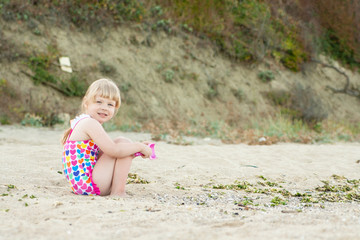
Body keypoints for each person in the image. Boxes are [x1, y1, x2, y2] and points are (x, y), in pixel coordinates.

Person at [61, 78, 152, 197]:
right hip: (90, 185)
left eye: (110, 104)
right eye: (99, 102)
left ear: (115, 108)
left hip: (87, 183)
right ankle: (118, 192)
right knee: (122, 146)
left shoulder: (86, 122)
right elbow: (114, 151)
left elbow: (100, 156)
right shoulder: (89, 123)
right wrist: (138, 146)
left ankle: (117, 190)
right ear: (86, 102)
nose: (104, 107)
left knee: (123, 142)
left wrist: (134, 151)